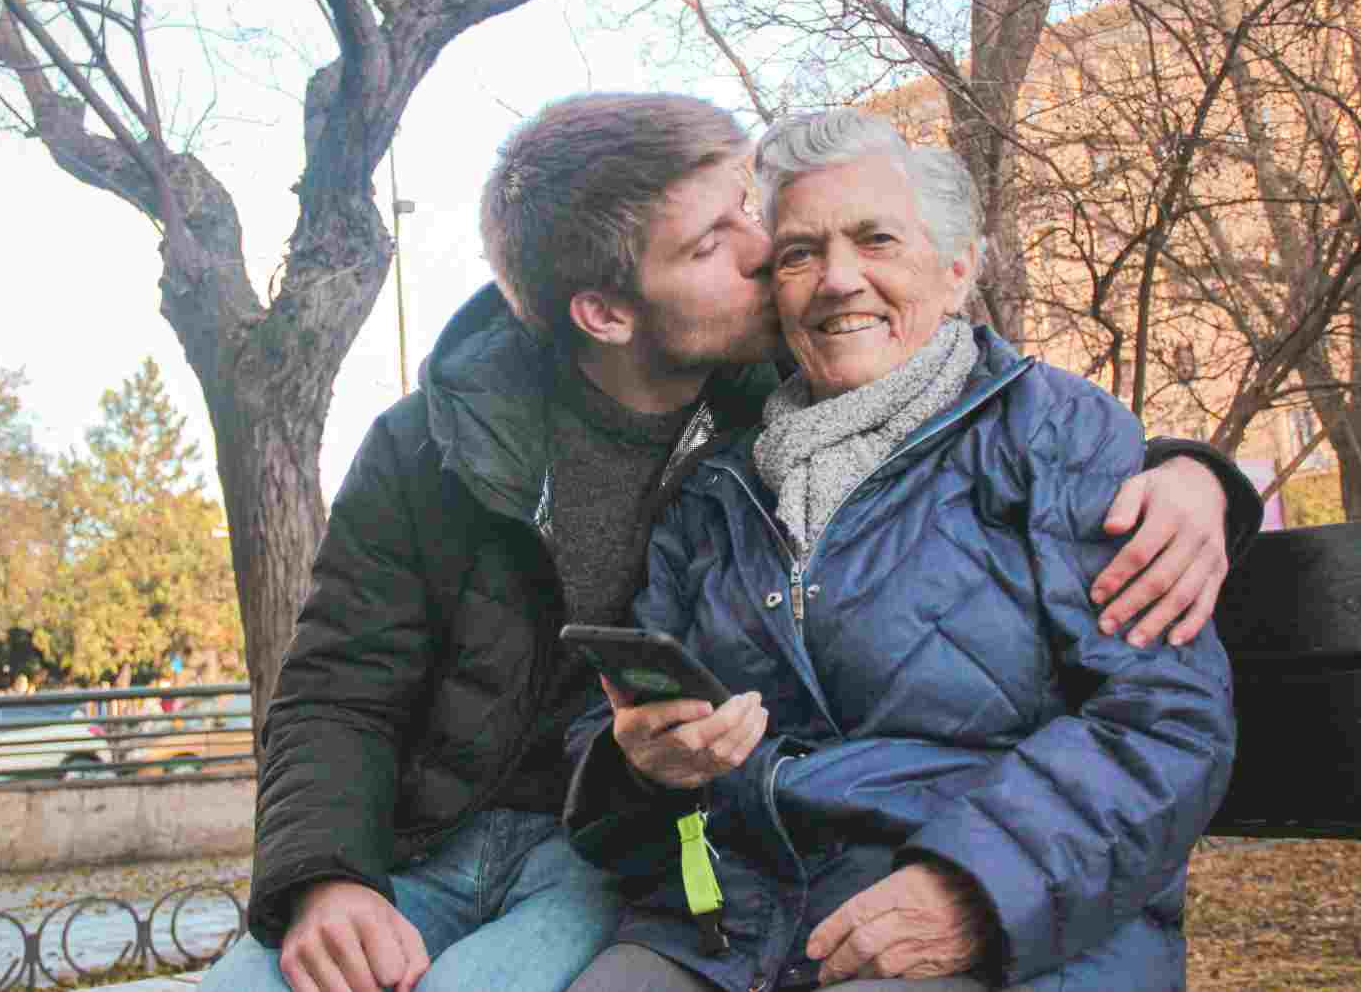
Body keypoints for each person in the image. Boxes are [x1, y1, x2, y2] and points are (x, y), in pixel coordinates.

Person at [199, 94, 1259, 992]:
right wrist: (326, 873)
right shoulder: (473, 450)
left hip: (667, 875)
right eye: (730, 240)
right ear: (607, 312)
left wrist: (1203, 476)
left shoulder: (809, 404)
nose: (781, 258)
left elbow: (978, 404)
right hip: (476, 842)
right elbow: (338, 684)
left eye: (755, 213)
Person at [562, 107, 1240, 992]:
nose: (837, 280)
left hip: (996, 914)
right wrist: (638, 762)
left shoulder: (1053, 431)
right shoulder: (716, 488)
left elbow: (1162, 718)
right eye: (800, 252)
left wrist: (974, 890)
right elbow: (608, 719)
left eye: (875, 239)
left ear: (957, 269)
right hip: (730, 927)